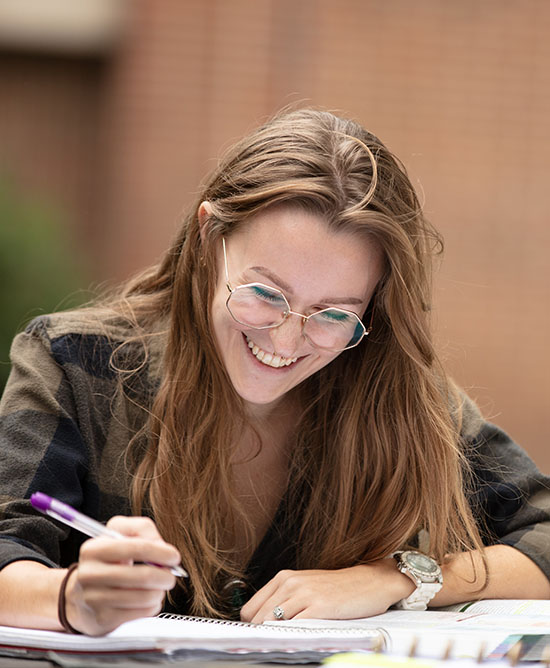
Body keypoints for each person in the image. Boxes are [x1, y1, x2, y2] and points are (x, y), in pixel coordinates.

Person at [0, 108, 549, 637]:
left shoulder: (403, 397)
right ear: (210, 239)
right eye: (265, 293)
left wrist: (394, 578)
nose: (285, 341)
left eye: (335, 314)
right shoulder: (73, 364)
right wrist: (73, 598)